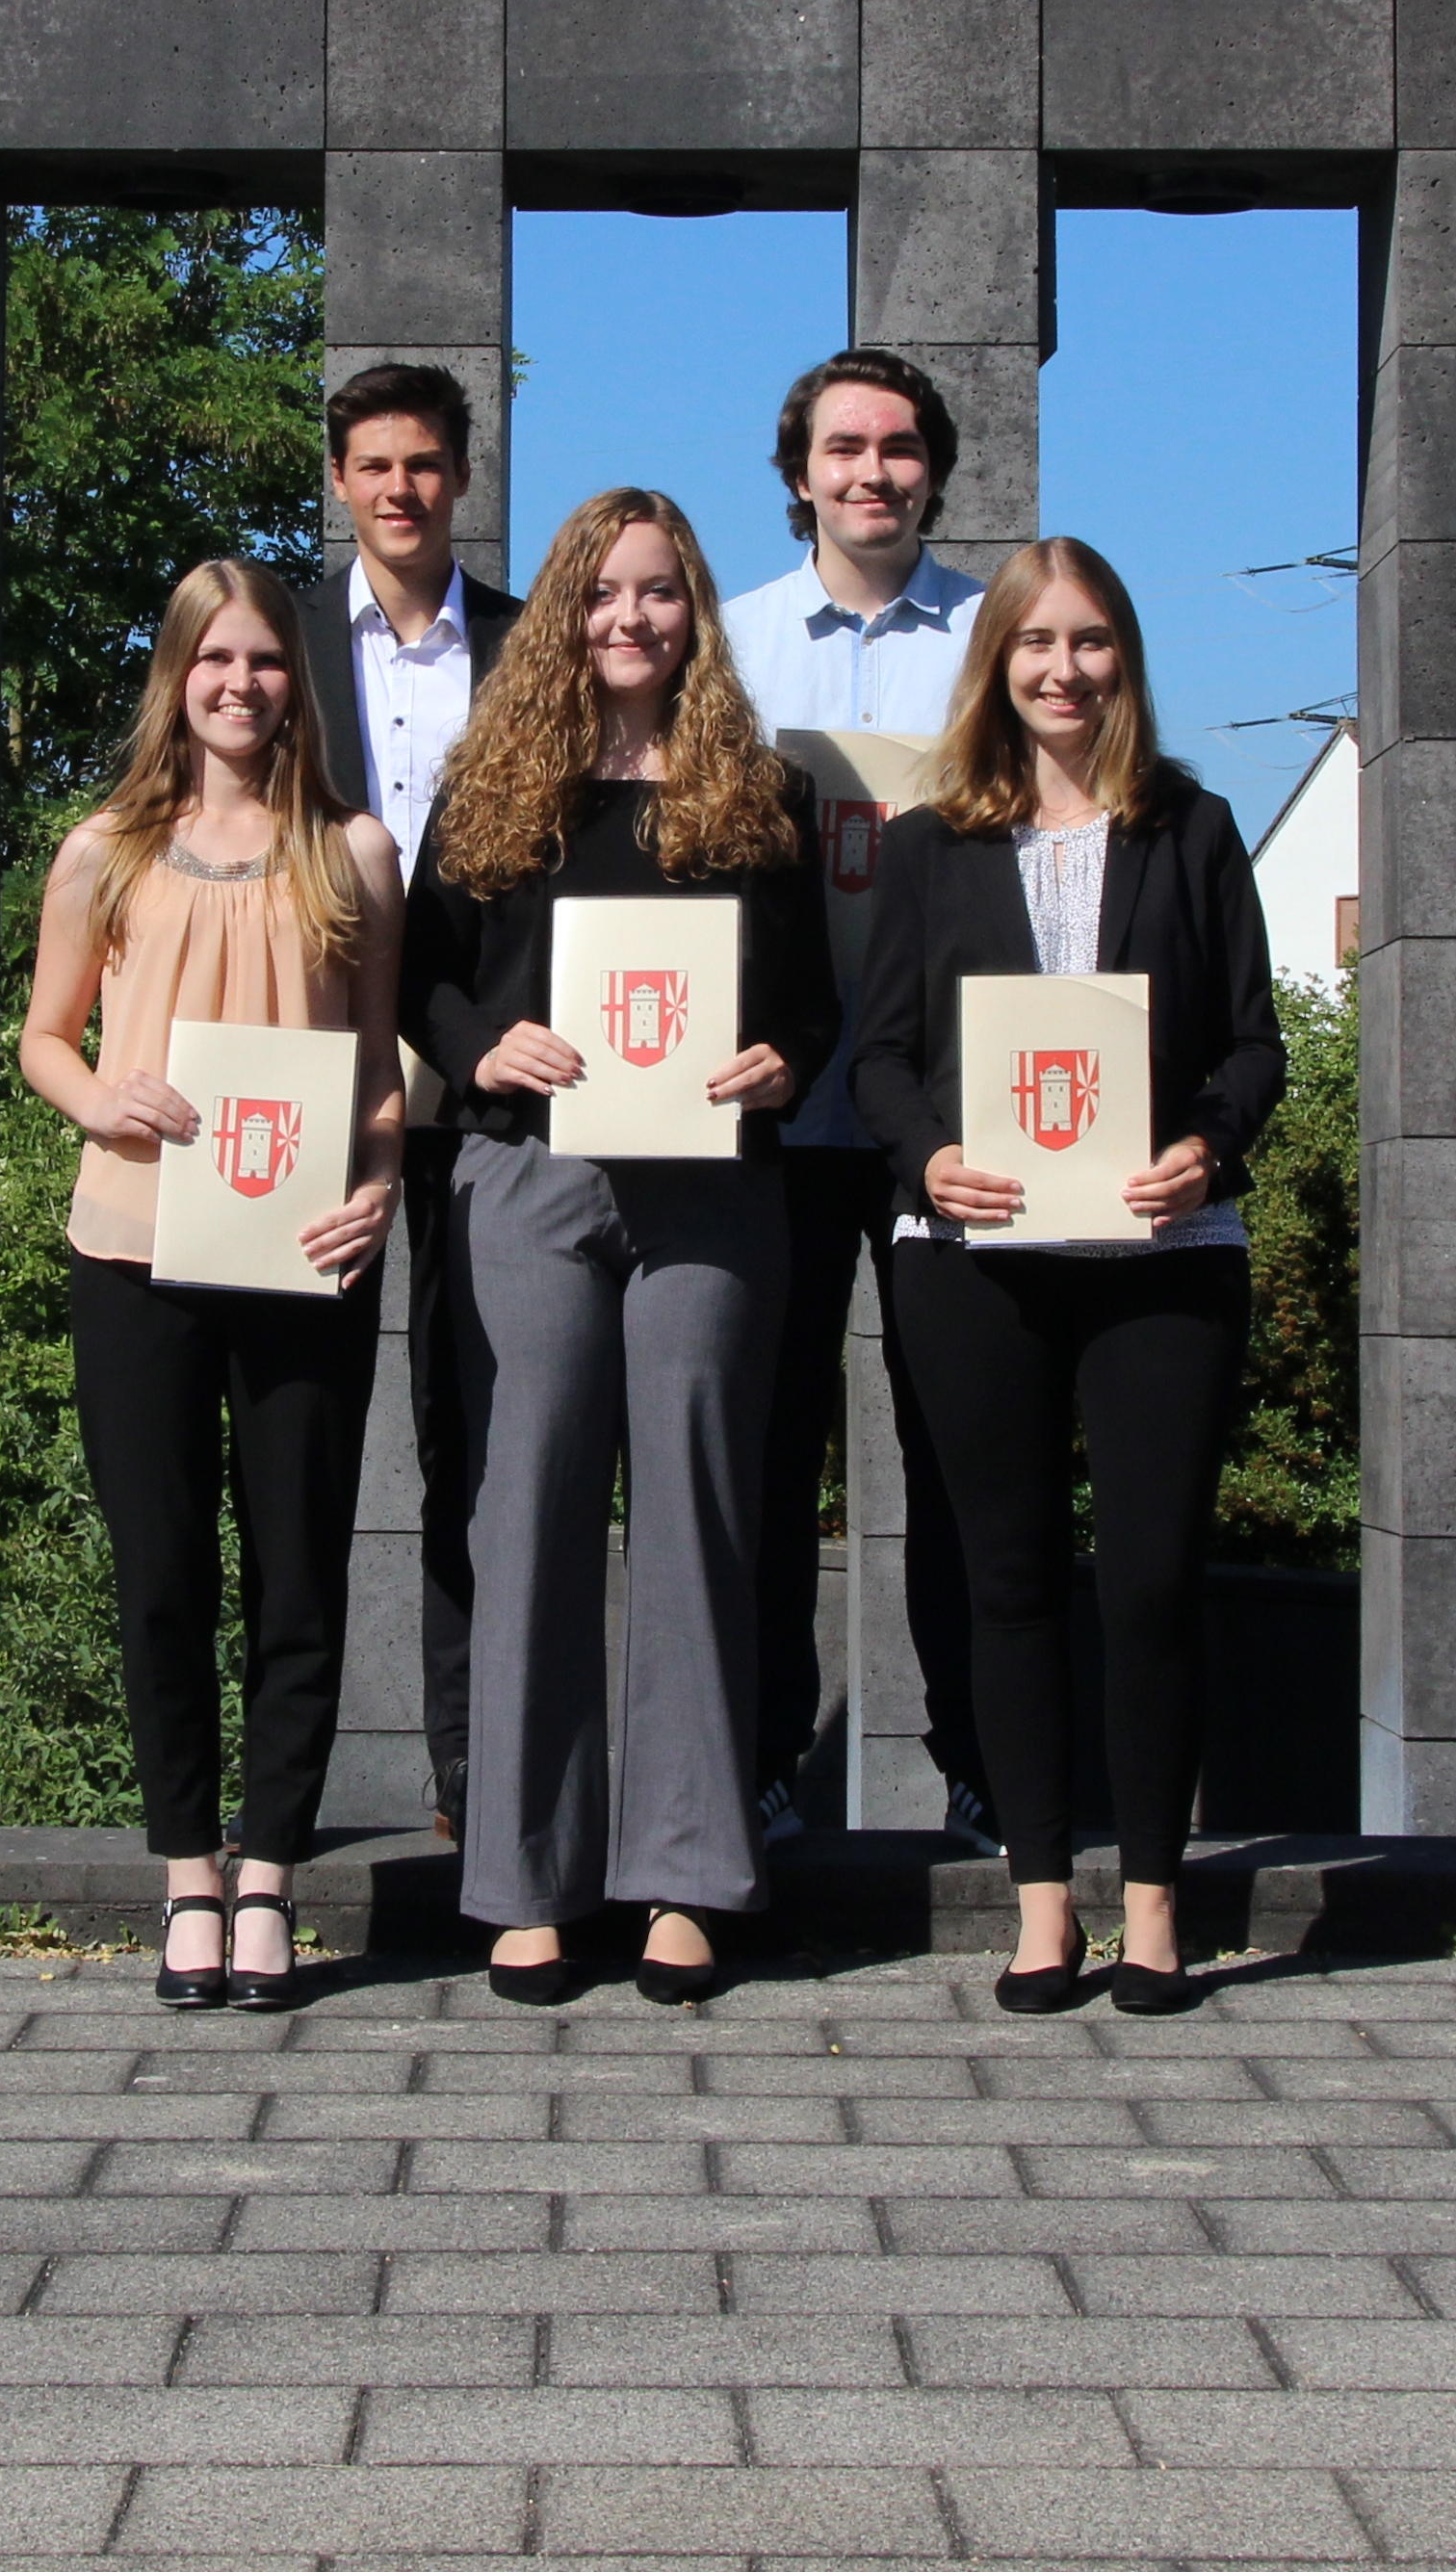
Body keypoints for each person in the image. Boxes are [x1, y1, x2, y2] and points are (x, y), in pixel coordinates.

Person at [402, 488, 837, 2007]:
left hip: (712, 1195)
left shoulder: (759, 793)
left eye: (657, 594)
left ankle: (685, 1880)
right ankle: (524, 1879)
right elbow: (424, 983)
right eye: (601, 595)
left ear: (693, 614)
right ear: (564, 617)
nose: (629, 621)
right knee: (525, 1513)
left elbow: (813, 1005)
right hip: (534, 1180)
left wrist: (779, 1062)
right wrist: (485, 1048)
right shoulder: (491, 788)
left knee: (702, 1520)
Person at [848, 537, 1287, 2017]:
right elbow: (884, 1057)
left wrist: (1208, 1151)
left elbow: (1252, 1047)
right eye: (1036, 643)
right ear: (998, 666)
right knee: (1011, 1582)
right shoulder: (929, 845)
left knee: (1155, 1580)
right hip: (976, 1259)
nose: (1063, 668)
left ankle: (1155, 1905)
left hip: (1161, 1255)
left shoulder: (1197, 828)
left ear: (1126, 659)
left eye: (1091, 641)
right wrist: (925, 1164)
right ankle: (1044, 1906)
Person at [18, 561, 406, 2012]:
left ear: (299, 680)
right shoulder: (104, 851)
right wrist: (100, 1100)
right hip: (136, 1249)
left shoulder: (354, 852)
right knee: (164, 1572)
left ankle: (273, 1879)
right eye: (214, 660)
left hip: (304, 1253)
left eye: (265, 661)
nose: (240, 685)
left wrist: (378, 1187)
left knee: (300, 1574)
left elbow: (380, 1074)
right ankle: (187, 1867)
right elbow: (44, 1037)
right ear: (175, 674)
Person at [715, 349, 994, 1855]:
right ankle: (764, 1757)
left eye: (897, 447)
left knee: (961, 1451)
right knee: (763, 1453)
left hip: (951, 1115)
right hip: (770, 1107)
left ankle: (979, 1760)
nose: (871, 471)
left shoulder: (995, 640)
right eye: (843, 448)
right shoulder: (733, 645)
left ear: (933, 469)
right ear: (799, 473)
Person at [295, 363, 508, 1849]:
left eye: (423, 463)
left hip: (492, 1074)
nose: (398, 488)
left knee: (472, 1436)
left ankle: (469, 1776)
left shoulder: (524, 643)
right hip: (314, 1071)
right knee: (299, 1433)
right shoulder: (284, 641)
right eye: (372, 464)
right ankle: (273, 1800)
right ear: (339, 480)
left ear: (462, 476)